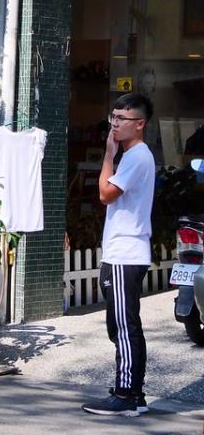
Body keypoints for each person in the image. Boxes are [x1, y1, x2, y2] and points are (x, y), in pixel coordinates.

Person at [82, 93, 155, 418]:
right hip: (120, 253)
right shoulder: (133, 156)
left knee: (124, 327)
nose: (114, 124)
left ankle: (126, 395)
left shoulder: (137, 156)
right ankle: (131, 393)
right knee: (119, 325)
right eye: (113, 117)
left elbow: (105, 194)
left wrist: (108, 156)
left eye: (121, 119)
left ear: (139, 124)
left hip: (127, 253)